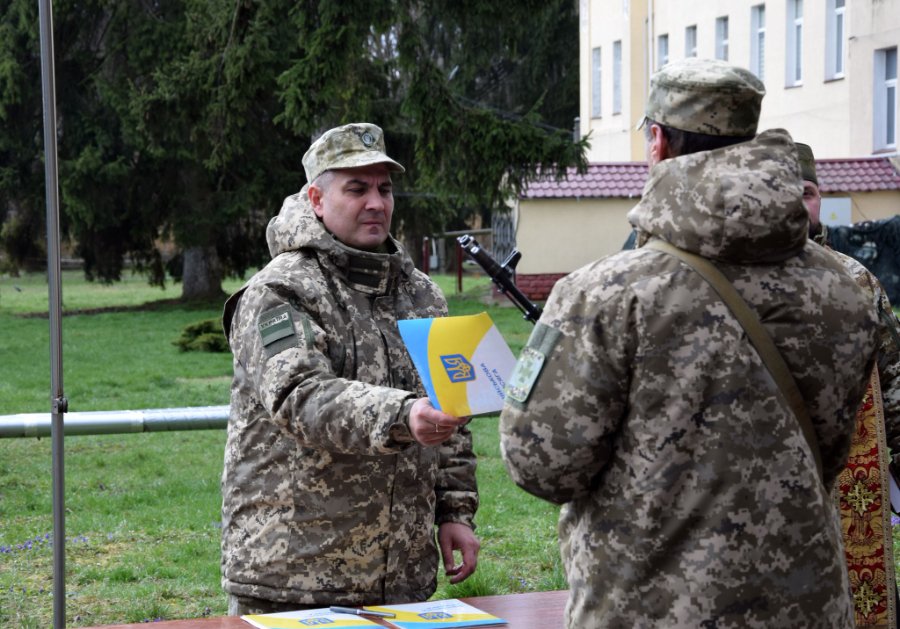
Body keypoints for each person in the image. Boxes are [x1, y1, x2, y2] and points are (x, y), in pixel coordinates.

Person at [499, 57, 880, 628]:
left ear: (657, 141)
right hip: (808, 607)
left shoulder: (603, 293)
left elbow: (542, 466)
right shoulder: (844, 287)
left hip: (649, 611)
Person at [220, 123, 480, 615]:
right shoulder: (279, 292)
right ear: (316, 199)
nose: (376, 203)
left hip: (399, 578)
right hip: (294, 577)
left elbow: (452, 408)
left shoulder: (422, 295)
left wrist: (455, 511)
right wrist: (403, 415)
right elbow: (299, 395)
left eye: (385, 189)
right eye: (357, 189)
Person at [797, 141, 900, 629]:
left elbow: (892, 377)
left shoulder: (858, 281)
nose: (800, 204)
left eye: (808, 192)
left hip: (851, 486)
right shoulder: (734, 282)